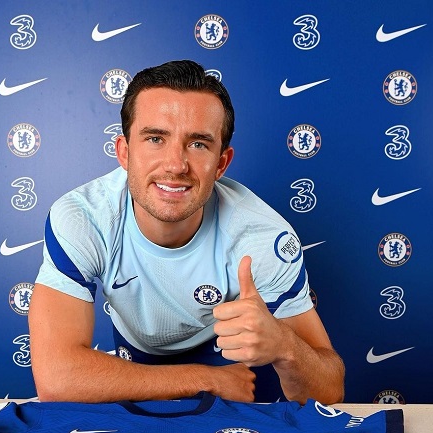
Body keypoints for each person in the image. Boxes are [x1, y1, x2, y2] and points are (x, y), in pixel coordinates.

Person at [28, 60, 344, 405]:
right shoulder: (84, 217)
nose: (176, 165)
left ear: (221, 163)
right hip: (142, 360)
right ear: (124, 152)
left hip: (236, 367)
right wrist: (204, 379)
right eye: (155, 139)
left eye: (198, 144)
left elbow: (329, 390)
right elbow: (56, 378)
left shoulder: (262, 236)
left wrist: (284, 345)